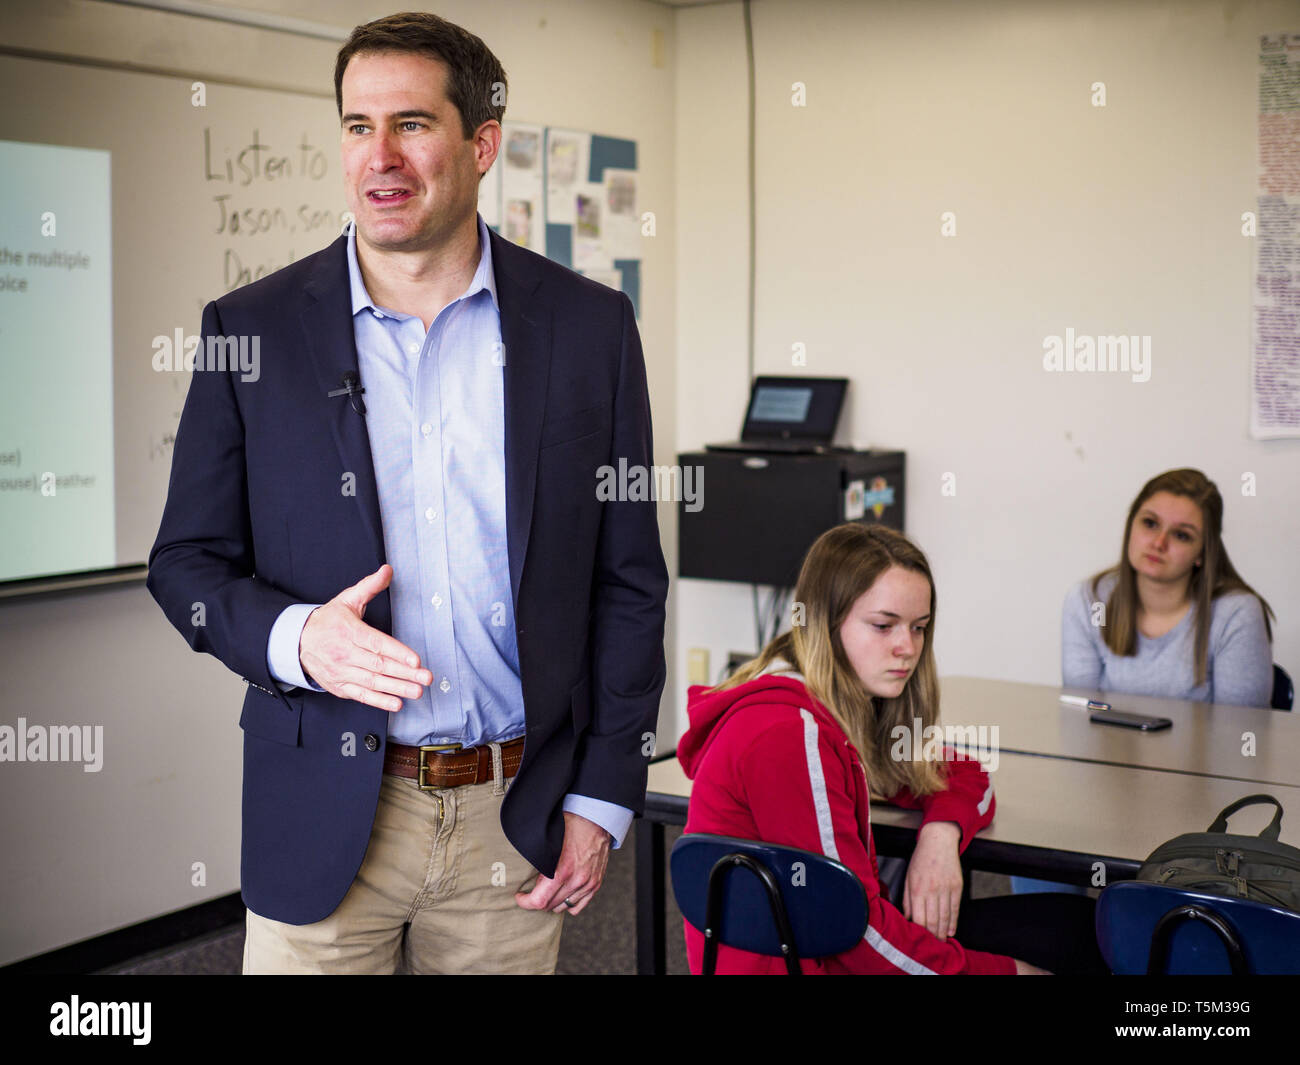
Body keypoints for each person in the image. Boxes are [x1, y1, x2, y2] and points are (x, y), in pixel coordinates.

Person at [146, 11, 667, 974]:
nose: (379, 156)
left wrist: (602, 795)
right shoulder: (246, 330)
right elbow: (183, 564)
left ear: (481, 143)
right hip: (324, 811)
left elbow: (628, 579)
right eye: (356, 127)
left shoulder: (589, 329)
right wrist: (298, 637)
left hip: (514, 820)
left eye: (412, 125)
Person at [678, 522, 1106, 974]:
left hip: (838, 944)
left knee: (1074, 927)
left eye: (918, 627)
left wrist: (940, 836)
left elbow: (964, 773)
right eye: (884, 626)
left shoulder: (844, 705)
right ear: (826, 620)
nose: (908, 647)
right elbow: (851, 935)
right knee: (1067, 947)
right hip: (826, 959)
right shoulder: (790, 732)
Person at [1061, 468, 1275, 708]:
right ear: (1131, 525)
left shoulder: (1236, 613)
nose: (1158, 543)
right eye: (1150, 523)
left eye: (1181, 535)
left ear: (1202, 552)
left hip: (1202, 748)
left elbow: (1239, 733)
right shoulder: (1088, 600)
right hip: (1106, 746)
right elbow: (1079, 718)